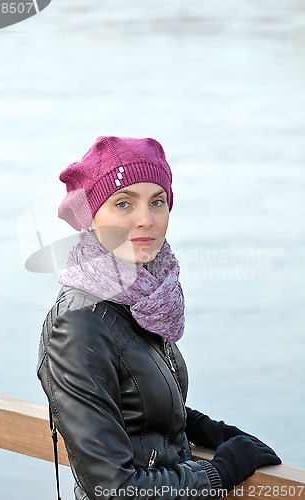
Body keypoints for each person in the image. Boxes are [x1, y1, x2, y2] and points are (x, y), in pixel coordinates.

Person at [37, 136, 281, 500]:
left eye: (157, 201)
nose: (145, 220)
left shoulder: (142, 296)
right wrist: (220, 471)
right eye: (123, 204)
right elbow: (113, 488)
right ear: (90, 217)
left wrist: (204, 428)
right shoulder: (77, 323)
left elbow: (135, 406)